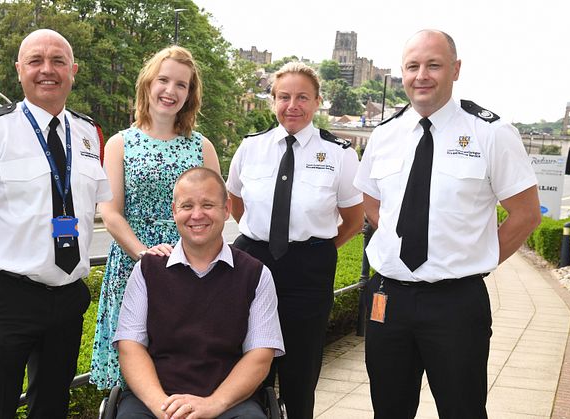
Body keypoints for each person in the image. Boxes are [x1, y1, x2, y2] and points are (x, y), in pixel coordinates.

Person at [353, 30, 542, 419]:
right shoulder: (385, 134)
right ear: (401, 74)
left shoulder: (491, 133)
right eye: (412, 66)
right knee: (388, 410)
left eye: (434, 65)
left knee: (463, 410)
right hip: (388, 298)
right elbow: (371, 202)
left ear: (455, 70)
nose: (422, 75)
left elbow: (526, 214)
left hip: (456, 303)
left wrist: (478, 259)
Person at [0, 29, 111, 418]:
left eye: (58, 61)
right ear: (19, 70)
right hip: (6, 299)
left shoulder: (87, 133)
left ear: (73, 70)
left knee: (51, 408)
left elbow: (94, 206)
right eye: (35, 61)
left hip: (66, 299)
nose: (47, 70)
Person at [226, 61, 364, 419]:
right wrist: (264, 237)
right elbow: (235, 202)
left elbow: (353, 219)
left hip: (308, 271)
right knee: (246, 370)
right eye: (284, 96)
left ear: (318, 101)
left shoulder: (340, 154)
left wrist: (318, 250)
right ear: (272, 101)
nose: (293, 105)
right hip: (253, 266)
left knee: (300, 375)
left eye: (302, 97)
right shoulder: (250, 148)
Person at [89, 45, 221, 390]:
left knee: (186, 371)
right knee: (133, 375)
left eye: (182, 85)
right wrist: (144, 254)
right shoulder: (120, 144)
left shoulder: (202, 147)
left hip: (192, 269)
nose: (171, 91)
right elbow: (110, 212)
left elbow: (218, 211)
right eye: (164, 80)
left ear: (190, 94)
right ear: (147, 84)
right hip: (134, 267)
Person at [113, 167, 284, 419]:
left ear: (226, 210)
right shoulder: (147, 270)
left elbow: (260, 355)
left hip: (229, 400)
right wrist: (163, 407)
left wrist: (214, 404)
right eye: (186, 206)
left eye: (207, 205)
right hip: (156, 398)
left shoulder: (256, 274)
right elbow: (130, 346)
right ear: (174, 211)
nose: (196, 215)